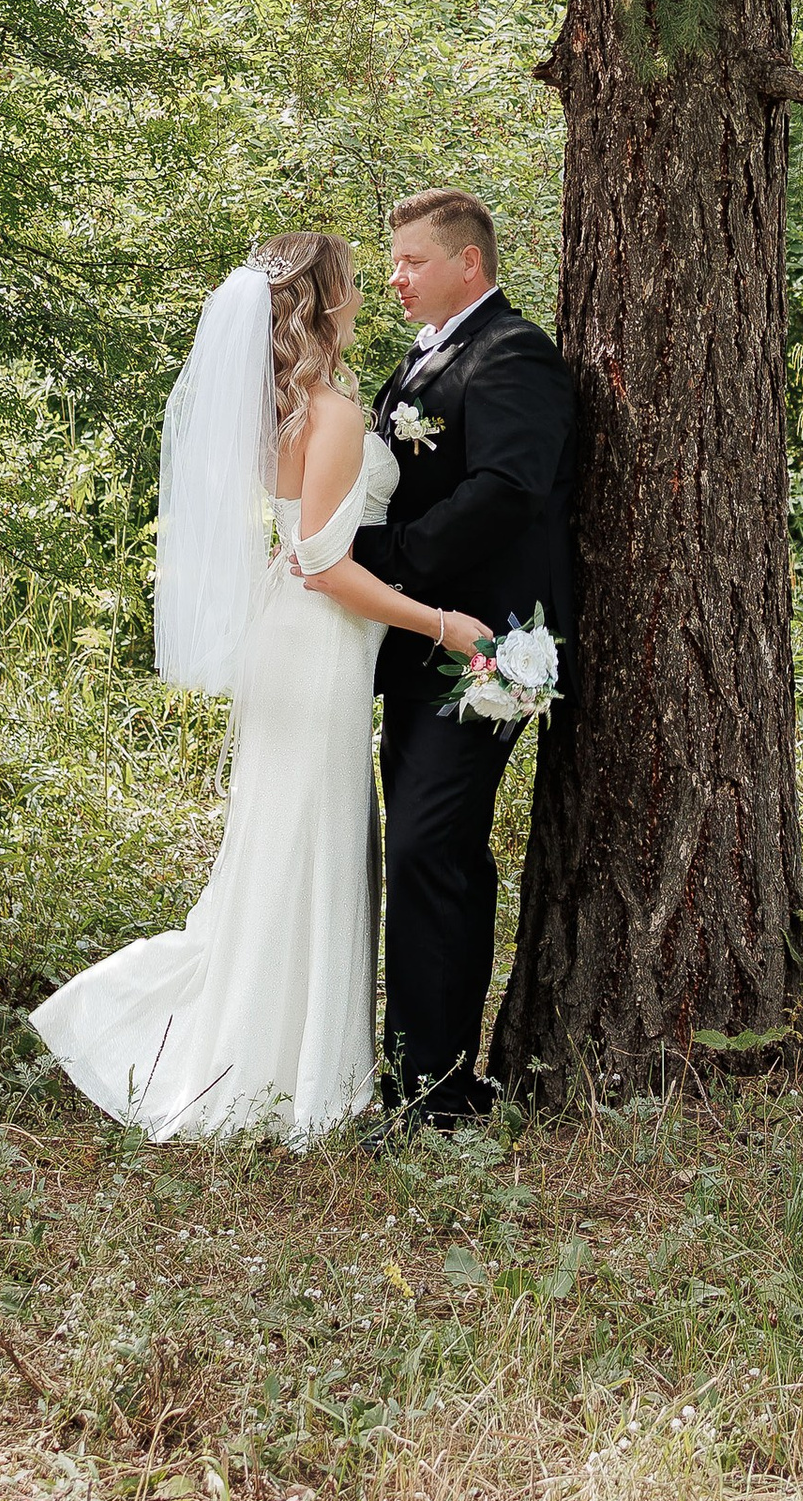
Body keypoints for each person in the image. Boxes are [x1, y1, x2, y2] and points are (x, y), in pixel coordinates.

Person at [29, 233, 493, 1144]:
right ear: (323, 303)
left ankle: (300, 1060)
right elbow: (324, 564)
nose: (367, 294)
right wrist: (443, 624)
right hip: (315, 641)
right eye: (355, 282)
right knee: (306, 840)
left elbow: (302, 545)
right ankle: (288, 1074)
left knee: (291, 839)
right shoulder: (329, 410)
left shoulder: (284, 409)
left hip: (302, 639)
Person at [349, 189, 576, 1126]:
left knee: (430, 846)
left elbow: (507, 489)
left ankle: (440, 1094)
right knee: (421, 847)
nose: (395, 277)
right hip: (420, 642)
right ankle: (416, 1076)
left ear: (468, 262)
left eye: (410, 260)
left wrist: (392, 564)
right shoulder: (426, 352)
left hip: (487, 649)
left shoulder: (513, 352)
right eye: (394, 262)